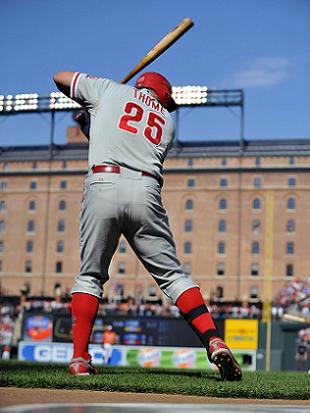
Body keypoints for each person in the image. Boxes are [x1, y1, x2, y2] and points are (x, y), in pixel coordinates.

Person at [53, 70, 242, 380]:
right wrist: (93, 113)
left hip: (103, 181)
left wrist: (92, 98)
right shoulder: (167, 123)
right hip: (145, 191)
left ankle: (79, 359)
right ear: (163, 96)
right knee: (173, 277)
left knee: (90, 276)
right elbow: (124, 136)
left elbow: (59, 77)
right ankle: (213, 340)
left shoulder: (108, 91)